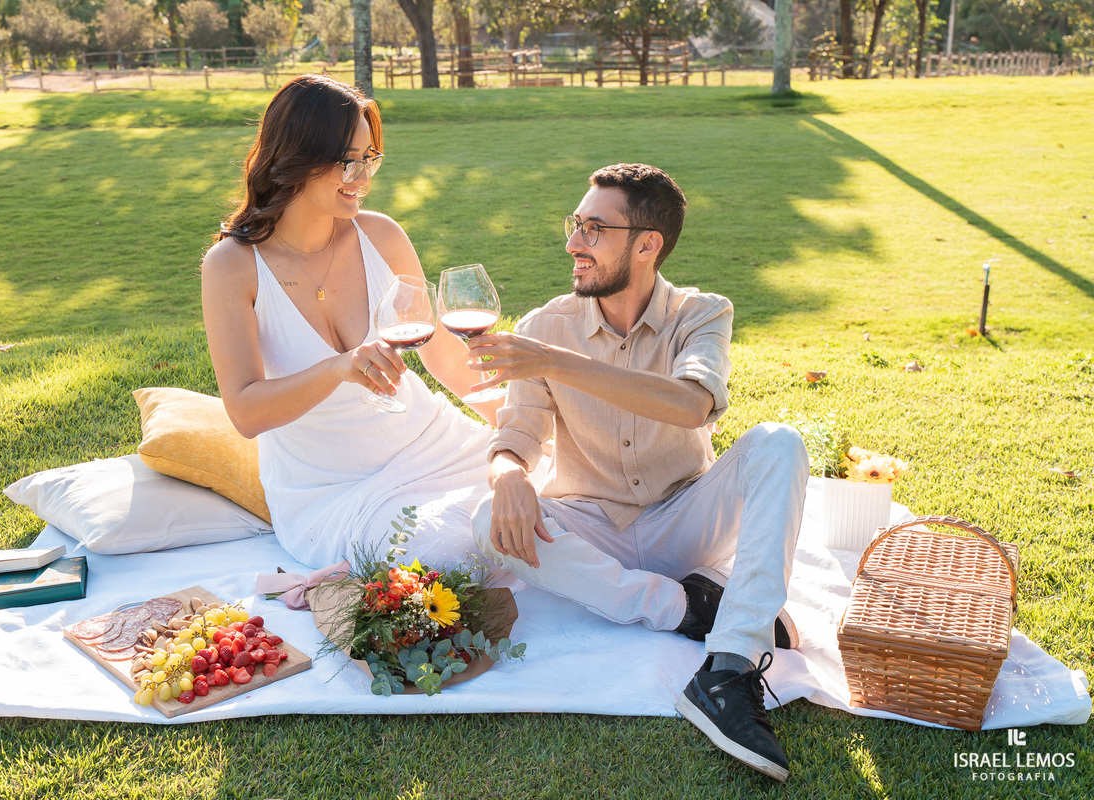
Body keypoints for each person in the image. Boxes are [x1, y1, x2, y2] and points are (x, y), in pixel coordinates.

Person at [467, 164, 808, 783]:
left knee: (779, 443)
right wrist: (508, 474)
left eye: (595, 229)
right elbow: (515, 440)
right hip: (593, 526)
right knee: (486, 519)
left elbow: (691, 403)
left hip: (686, 522)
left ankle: (729, 668)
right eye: (576, 225)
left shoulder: (701, 313)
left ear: (647, 244)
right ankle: (686, 609)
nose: (574, 243)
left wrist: (556, 363)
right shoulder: (546, 326)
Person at [201, 74, 499, 569]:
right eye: (347, 160)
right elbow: (246, 413)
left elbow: (446, 359)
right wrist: (338, 368)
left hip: (436, 445)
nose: (362, 177)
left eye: (369, 158)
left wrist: (517, 425)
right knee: (453, 554)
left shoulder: (381, 235)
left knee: (554, 499)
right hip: (336, 492)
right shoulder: (232, 266)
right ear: (296, 157)